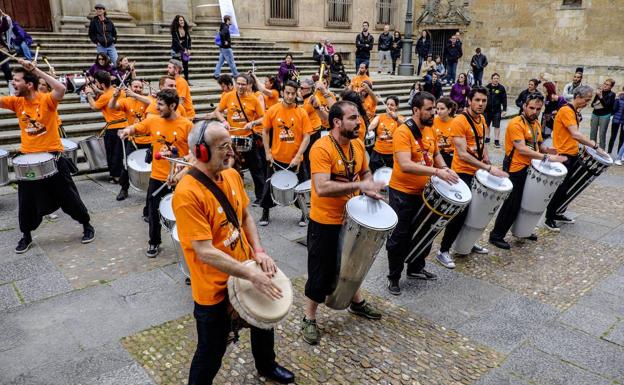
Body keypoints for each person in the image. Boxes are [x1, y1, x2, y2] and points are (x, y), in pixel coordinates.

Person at [172, 121, 295, 385]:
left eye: (230, 144)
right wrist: (252, 274)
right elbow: (204, 252)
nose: (231, 151)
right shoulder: (187, 193)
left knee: (264, 322)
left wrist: (259, 252)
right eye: (223, 147)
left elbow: (246, 216)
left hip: (245, 268)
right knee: (211, 351)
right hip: (212, 289)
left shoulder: (232, 176)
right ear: (201, 152)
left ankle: (266, 365)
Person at [301, 101, 384, 345]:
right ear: (337, 122)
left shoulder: (358, 144)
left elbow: (365, 172)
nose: (359, 122)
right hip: (325, 222)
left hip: (352, 218)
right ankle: (309, 317)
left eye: (358, 117)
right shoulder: (321, 148)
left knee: (350, 265)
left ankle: (356, 303)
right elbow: (322, 187)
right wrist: (359, 186)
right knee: (321, 270)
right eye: (353, 118)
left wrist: (368, 187)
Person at [3, 60, 95, 253]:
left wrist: (35, 70)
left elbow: (61, 88)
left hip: (53, 157)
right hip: (28, 161)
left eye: (16, 80)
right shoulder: (16, 102)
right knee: (26, 200)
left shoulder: (46, 100)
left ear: (28, 84)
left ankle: (86, 224)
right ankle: (26, 235)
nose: (12, 83)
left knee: (68, 196)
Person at [386, 92, 460, 295]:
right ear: (415, 110)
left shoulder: (430, 129)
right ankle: (394, 276)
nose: (433, 112)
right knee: (399, 235)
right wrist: (437, 172)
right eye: (428, 109)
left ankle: (416, 267)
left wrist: (445, 168)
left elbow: (435, 153)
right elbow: (405, 164)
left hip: (425, 192)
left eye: (434, 108)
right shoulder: (403, 132)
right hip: (402, 192)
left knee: (425, 230)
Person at [435, 87, 509, 269]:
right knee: (460, 215)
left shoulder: (482, 119)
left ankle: (466, 242)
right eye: (477, 100)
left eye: (484, 101)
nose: (481, 104)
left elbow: (481, 142)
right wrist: (489, 168)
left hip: (476, 171)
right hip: (462, 173)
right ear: (469, 100)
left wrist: (487, 159)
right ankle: (443, 250)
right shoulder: (460, 121)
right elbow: (462, 154)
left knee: (476, 211)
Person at [118, 89, 193, 257]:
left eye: (160, 104)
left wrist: (183, 164)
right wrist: (126, 131)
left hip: (180, 179)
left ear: (172, 105)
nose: (156, 107)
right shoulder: (153, 122)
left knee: (184, 213)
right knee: (153, 211)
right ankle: (154, 242)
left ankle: (187, 246)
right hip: (157, 177)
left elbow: (194, 152)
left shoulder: (187, 125)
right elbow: (137, 127)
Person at [488, 93, 567, 249]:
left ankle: (522, 230)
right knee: (512, 204)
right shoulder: (516, 124)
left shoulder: (536, 123)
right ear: (524, 106)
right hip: (515, 168)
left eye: (538, 109)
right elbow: (522, 149)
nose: (534, 111)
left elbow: (536, 145)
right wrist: (546, 157)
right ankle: (496, 235)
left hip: (530, 168)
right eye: (531, 108)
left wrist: (548, 149)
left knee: (526, 202)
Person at [544, 85, 609, 231]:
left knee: (568, 187)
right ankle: (549, 218)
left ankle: (558, 212)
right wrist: (595, 146)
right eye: (586, 100)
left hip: (571, 154)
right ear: (578, 97)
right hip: (564, 155)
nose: (587, 103)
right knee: (561, 188)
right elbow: (575, 134)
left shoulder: (573, 111)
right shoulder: (567, 110)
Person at [259, 81, 312, 226]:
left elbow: (307, 136)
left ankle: (304, 214)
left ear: (297, 94)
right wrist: (267, 152)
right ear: (282, 93)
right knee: (269, 185)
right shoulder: (273, 110)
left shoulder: (301, 112)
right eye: (287, 93)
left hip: (296, 160)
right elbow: (265, 131)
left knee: (302, 189)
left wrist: (297, 156)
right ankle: (265, 213)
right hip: (276, 158)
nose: (290, 96)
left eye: (293, 93)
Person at [215, 74, 266, 204]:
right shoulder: (228, 96)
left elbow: (263, 117)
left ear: (248, 85)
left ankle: (260, 197)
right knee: (231, 168)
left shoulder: (254, 99)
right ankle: (232, 194)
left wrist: (253, 123)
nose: (240, 86)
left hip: (248, 138)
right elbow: (218, 111)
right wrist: (224, 122)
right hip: (231, 139)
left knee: (256, 169)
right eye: (238, 83)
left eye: (243, 84)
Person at [109, 78, 151, 201]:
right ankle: (124, 188)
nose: (137, 89)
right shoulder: (126, 101)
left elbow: (151, 102)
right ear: (129, 86)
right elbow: (111, 106)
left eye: (140, 87)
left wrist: (136, 95)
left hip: (149, 139)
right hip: (133, 139)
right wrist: (115, 96)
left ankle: (150, 188)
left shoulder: (147, 99)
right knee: (126, 164)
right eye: (135, 87)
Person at [84, 71, 127, 184]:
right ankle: (119, 173)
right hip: (125, 126)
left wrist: (88, 93)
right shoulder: (118, 91)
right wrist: (94, 88)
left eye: (97, 83)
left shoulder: (105, 96)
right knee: (120, 153)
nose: (96, 84)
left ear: (102, 84)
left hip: (113, 128)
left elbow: (94, 106)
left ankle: (116, 176)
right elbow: (106, 93)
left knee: (112, 153)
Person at [367, 95, 403, 172]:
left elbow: (406, 126)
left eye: (392, 105)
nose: (389, 106)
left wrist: (395, 118)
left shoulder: (400, 118)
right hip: (378, 152)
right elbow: (371, 127)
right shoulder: (380, 117)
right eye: (387, 104)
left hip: (393, 154)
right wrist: (369, 128)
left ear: (396, 107)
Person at [589, 78, 616, 149]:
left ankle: (602, 151)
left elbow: (606, 106)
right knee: (592, 133)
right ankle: (592, 150)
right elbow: (592, 104)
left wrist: (600, 96)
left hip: (605, 115)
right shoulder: (600, 92)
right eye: (604, 83)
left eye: (607, 85)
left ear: (611, 87)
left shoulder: (612, 94)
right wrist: (597, 100)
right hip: (595, 114)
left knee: (602, 135)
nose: (605, 86)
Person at [484, 73, 507, 147]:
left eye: (497, 78)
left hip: (497, 110)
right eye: (495, 78)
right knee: (487, 125)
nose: (496, 80)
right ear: (492, 79)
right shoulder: (487, 87)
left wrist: (504, 109)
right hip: (487, 110)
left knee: (497, 126)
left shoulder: (501, 88)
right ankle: (487, 138)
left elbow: (504, 99)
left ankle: (496, 140)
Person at [433, 97, 457, 167]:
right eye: (437, 109)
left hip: (452, 156)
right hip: (437, 156)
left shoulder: (456, 122)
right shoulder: (432, 121)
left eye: (442, 109)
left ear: (449, 110)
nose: (439, 111)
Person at [213, 15, 239, 79]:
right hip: (226, 48)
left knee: (220, 62)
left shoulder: (224, 26)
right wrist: (225, 41)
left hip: (222, 48)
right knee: (231, 62)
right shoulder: (225, 27)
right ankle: (236, 74)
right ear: (228, 20)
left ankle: (216, 74)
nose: (232, 21)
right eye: (231, 19)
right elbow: (222, 34)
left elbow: (221, 33)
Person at [171, 15, 192, 82]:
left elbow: (189, 40)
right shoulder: (175, 30)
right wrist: (183, 50)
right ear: (177, 21)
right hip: (176, 50)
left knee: (185, 66)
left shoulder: (185, 29)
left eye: (182, 20)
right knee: (176, 66)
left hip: (184, 50)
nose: (182, 21)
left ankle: (186, 80)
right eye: (180, 20)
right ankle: (175, 80)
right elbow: (176, 42)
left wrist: (189, 48)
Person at [609, 87, 624, 157]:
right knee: (613, 137)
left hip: (623, 121)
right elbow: (614, 109)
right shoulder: (619, 98)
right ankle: (609, 152)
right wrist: (617, 98)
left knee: (622, 138)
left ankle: (618, 154)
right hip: (616, 120)